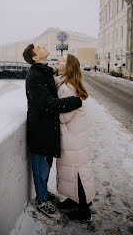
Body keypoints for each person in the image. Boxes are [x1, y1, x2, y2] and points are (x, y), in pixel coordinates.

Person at [23, 44, 82, 219]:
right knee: (40, 169)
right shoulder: (35, 76)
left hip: (47, 129)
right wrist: (74, 102)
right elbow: (47, 103)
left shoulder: (44, 72)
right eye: (39, 47)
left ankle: (44, 193)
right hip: (40, 130)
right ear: (35, 57)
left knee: (46, 166)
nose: (43, 47)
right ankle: (42, 201)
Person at [54, 54, 95, 221]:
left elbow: (64, 117)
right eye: (60, 58)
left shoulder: (67, 88)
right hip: (73, 136)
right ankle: (73, 199)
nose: (58, 60)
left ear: (69, 67)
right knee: (71, 170)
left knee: (77, 172)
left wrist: (51, 110)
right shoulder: (65, 84)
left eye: (63, 60)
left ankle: (84, 209)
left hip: (74, 138)